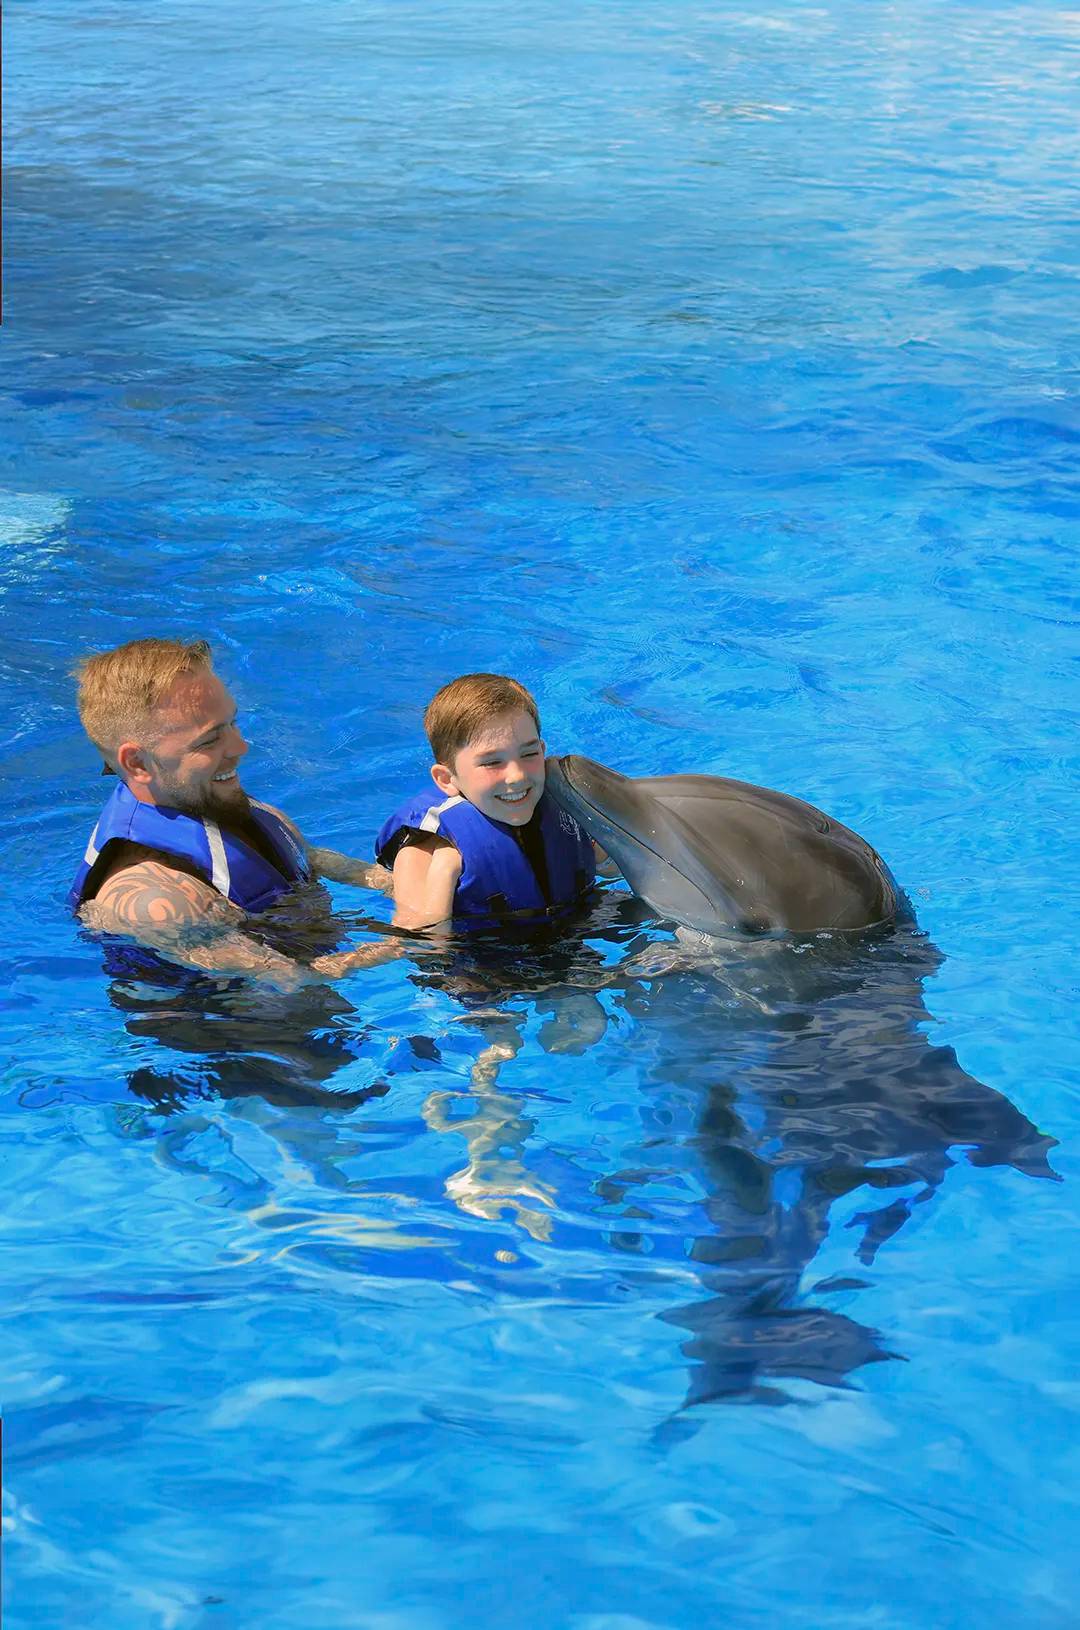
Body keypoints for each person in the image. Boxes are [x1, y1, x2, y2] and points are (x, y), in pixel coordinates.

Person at [69, 637, 400, 989]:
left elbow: (309, 858)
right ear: (137, 763)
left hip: (305, 947)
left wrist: (397, 884)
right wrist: (407, 941)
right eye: (209, 740)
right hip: (230, 1013)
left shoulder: (221, 802)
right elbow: (290, 981)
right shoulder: (157, 901)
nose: (241, 747)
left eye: (232, 723)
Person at [375, 672, 610, 932]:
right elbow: (423, 940)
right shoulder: (429, 853)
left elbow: (612, 866)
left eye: (529, 754)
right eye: (492, 762)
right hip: (483, 952)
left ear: (543, 751)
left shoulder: (565, 814)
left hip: (568, 928)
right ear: (447, 779)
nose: (517, 776)